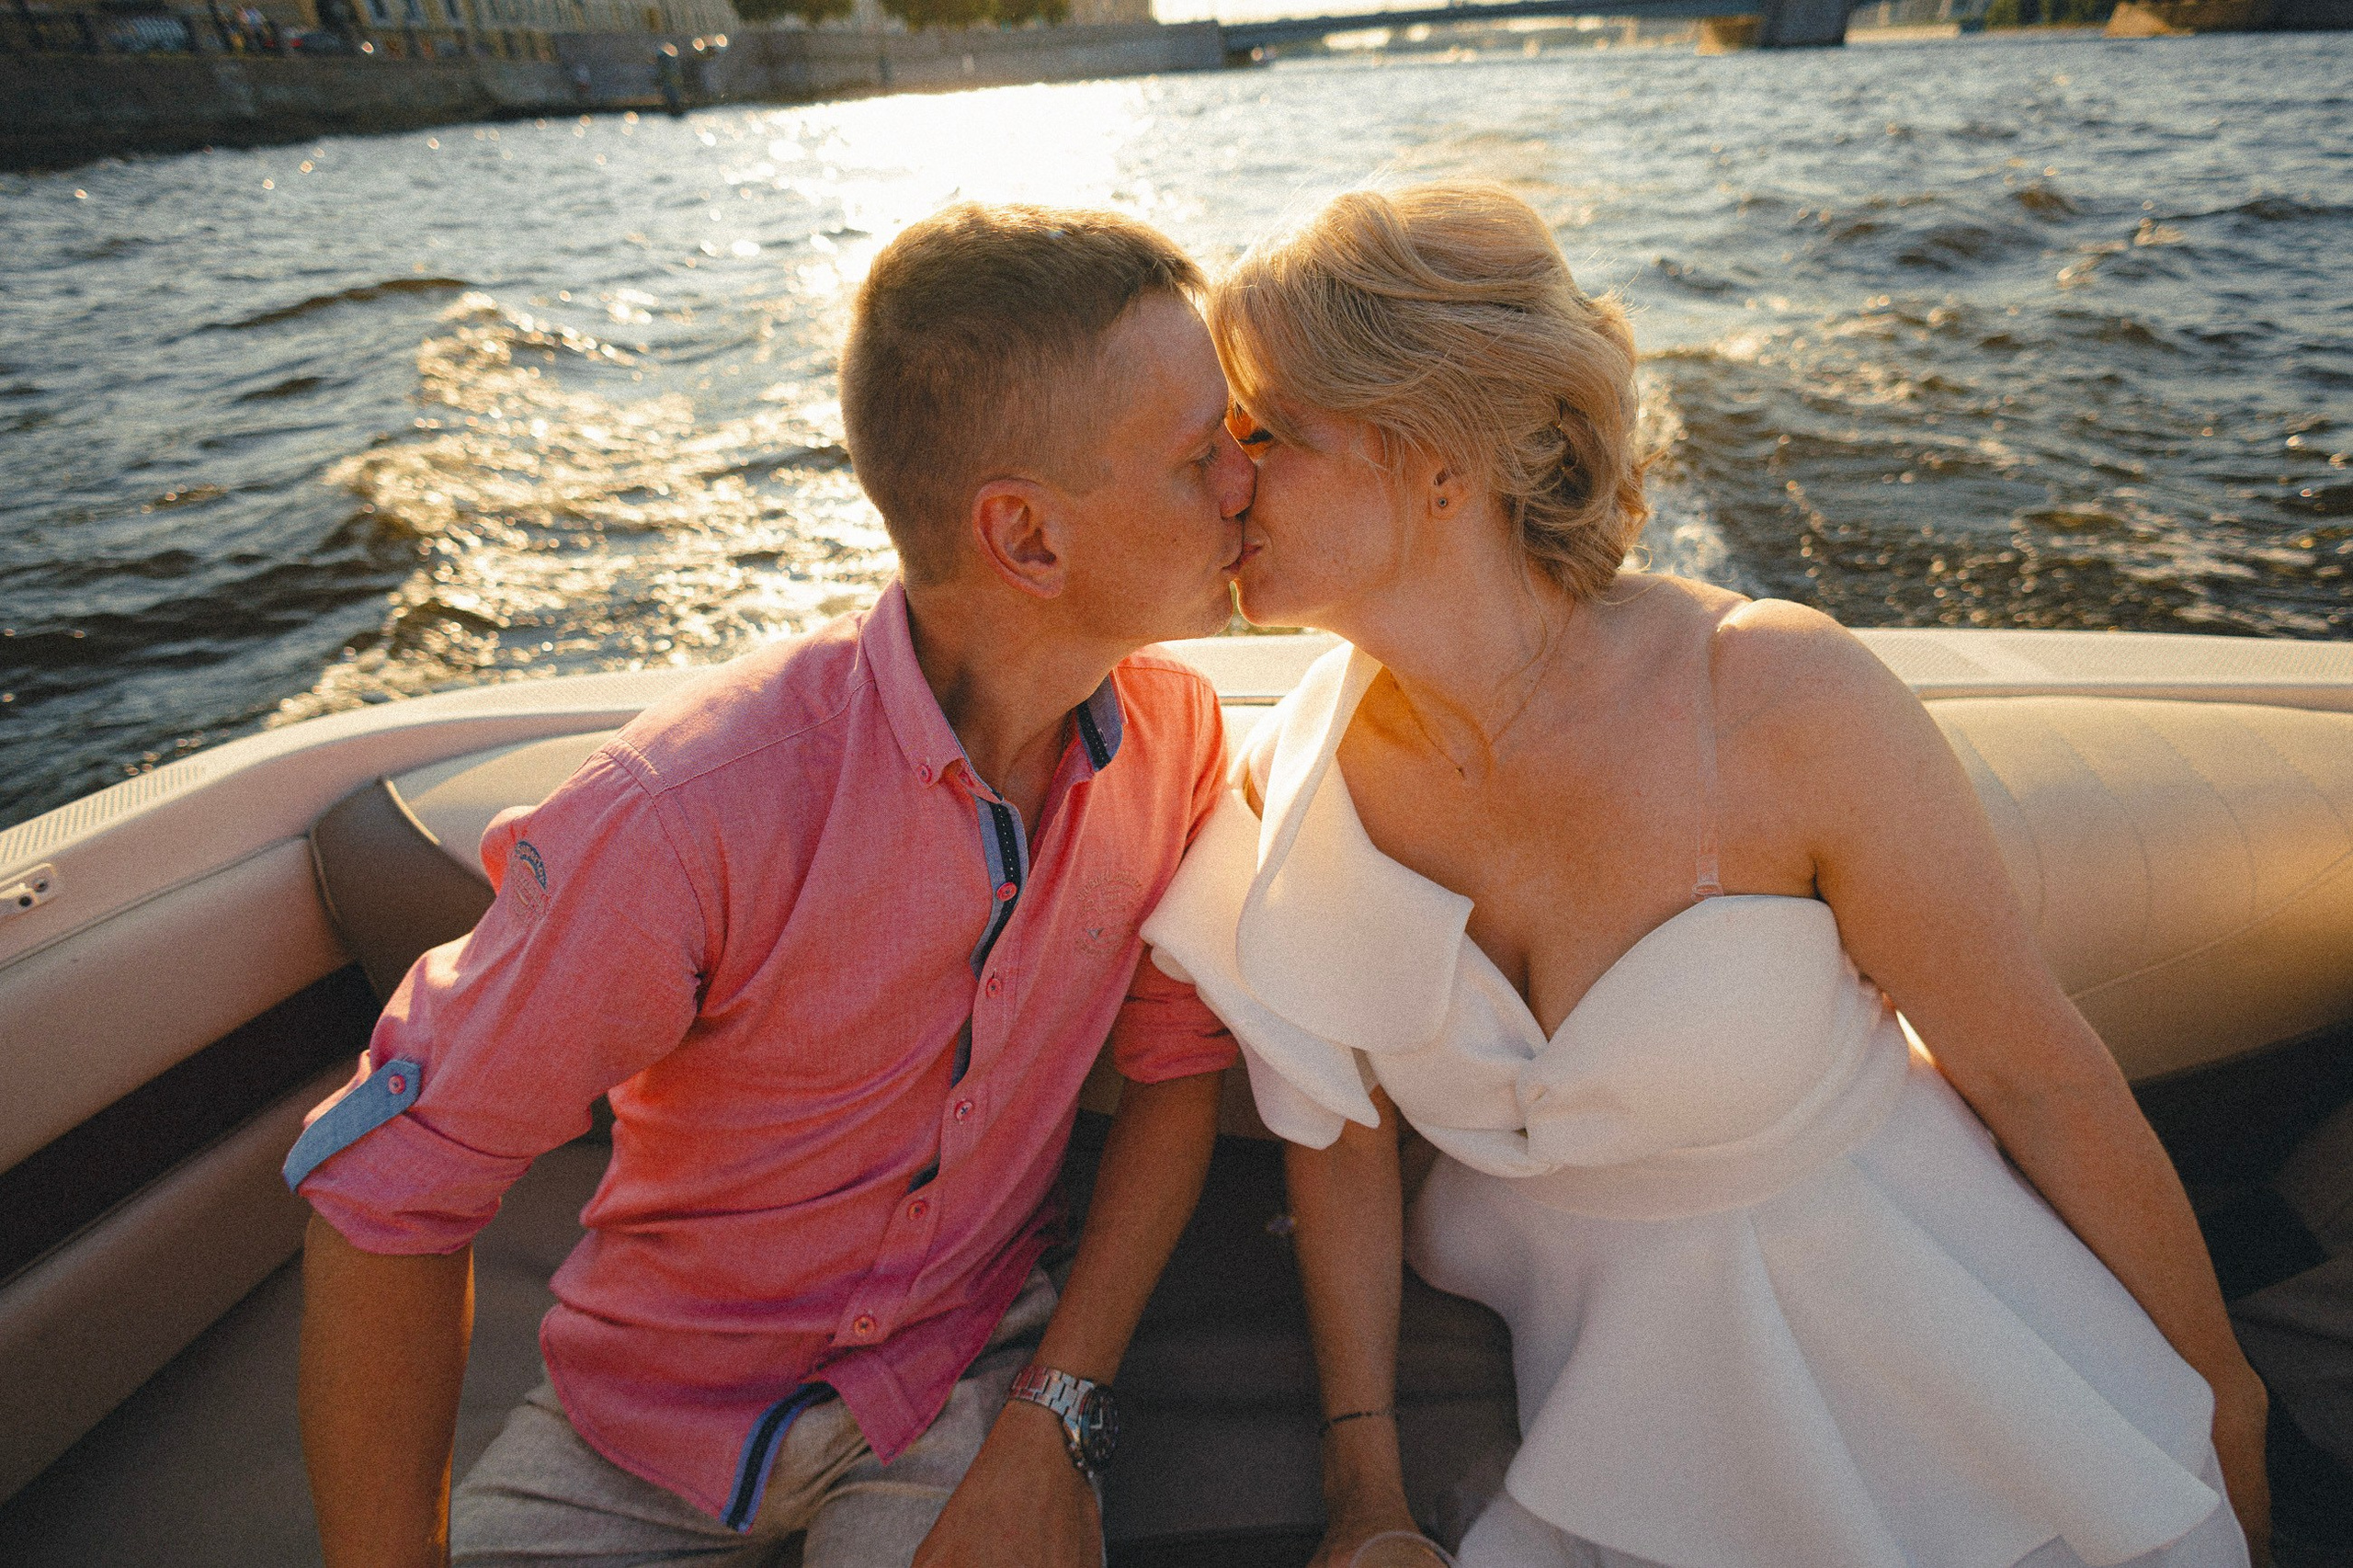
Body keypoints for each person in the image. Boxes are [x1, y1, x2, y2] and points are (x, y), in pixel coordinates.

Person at [1140, 184, 2268, 1568]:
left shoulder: (1782, 703)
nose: (1223, 478)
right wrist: (1363, 1485)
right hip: (1593, 1413)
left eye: (1263, 432)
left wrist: (2230, 1393)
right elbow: (1345, 1141)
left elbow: (2042, 1074)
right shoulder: (1290, 781)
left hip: (1949, 1361)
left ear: (1437, 458)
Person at [288, 202, 1256, 1568]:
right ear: (1027, 539)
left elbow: (1171, 1068)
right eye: (1197, 454)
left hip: (962, 1385)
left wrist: (1056, 1411)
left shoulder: (1183, 742)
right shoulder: (688, 816)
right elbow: (388, 1182)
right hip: (637, 1430)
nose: (1243, 483)